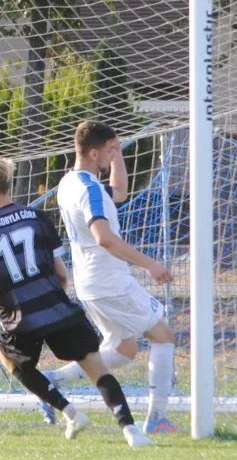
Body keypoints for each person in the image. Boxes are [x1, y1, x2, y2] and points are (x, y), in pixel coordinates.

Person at [0, 154, 154, 448]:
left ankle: (70, 412)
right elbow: (61, 274)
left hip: (21, 316)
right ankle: (131, 431)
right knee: (96, 367)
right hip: (58, 306)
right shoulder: (38, 217)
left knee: (12, 361)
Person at [43, 121, 179, 435]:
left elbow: (118, 192)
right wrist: (150, 265)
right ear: (93, 152)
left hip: (90, 283)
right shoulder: (90, 190)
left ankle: (53, 380)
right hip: (110, 282)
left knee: (123, 349)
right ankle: (157, 418)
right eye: (107, 151)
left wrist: (116, 154)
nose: (111, 156)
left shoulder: (70, 182)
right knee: (163, 337)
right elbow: (105, 238)